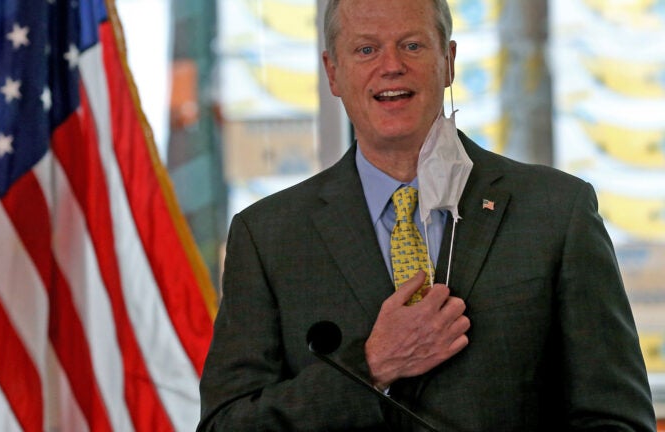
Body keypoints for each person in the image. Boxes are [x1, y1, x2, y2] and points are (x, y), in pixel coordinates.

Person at [197, 0, 656, 430]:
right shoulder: (268, 236)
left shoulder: (558, 211)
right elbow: (226, 424)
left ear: (450, 61)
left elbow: (616, 419)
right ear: (332, 73)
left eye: (412, 45)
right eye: (366, 49)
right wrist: (373, 365)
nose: (391, 65)